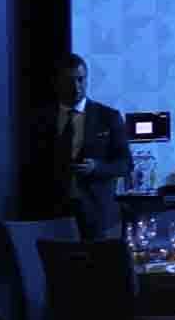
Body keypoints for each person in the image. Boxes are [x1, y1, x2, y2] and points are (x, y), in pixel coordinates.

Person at [41, 50, 135, 238]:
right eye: (69, 81)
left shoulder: (108, 117)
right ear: (57, 82)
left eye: (80, 80)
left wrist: (96, 167)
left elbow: (125, 164)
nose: (76, 87)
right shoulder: (43, 119)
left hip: (98, 212)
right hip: (53, 212)